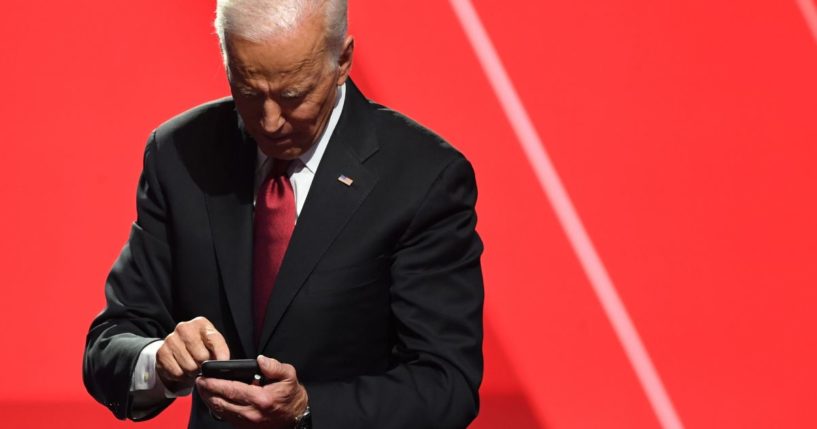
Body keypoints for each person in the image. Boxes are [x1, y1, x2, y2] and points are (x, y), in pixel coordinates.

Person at [82, 0, 484, 428]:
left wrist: (307, 409)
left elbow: (446, 385)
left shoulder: (422, 177)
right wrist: (158, 360)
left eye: (293, 96)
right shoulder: (180, 155)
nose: (270, 121)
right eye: (250, 92)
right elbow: (108, 346)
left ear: (343, 60)